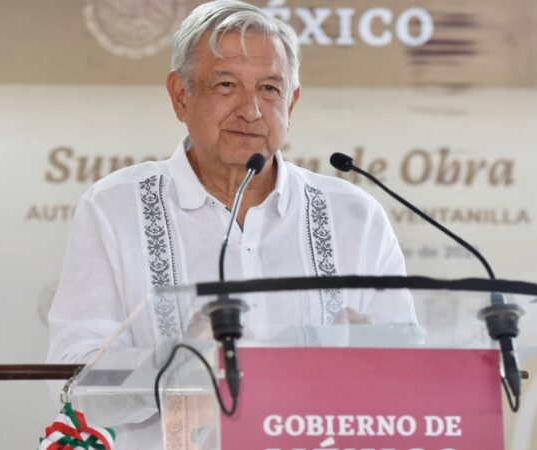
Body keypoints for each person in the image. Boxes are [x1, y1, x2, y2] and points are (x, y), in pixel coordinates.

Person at [47, 1, 415, 448]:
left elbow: (408, 372)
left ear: (292, 102)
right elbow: (75, 376)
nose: (251, 110)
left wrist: (377, 360)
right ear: (181, 96)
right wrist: (175, 368)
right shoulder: (114, 208)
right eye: (226, 85)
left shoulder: (354, 215)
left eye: (269, 89)